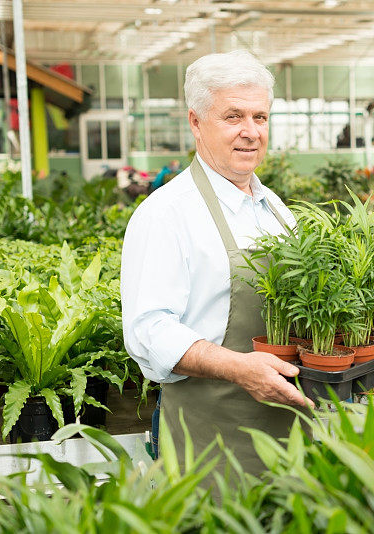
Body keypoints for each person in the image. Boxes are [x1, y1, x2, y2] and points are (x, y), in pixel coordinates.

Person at [121, 50, 312, 481]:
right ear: (196, 122)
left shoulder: (275, 209)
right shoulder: (167, 214)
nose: (251, 132)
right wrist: (240, 368)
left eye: (260, 118)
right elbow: (149, 330)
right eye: (233, 117)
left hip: (288, 432)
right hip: (208, 437)